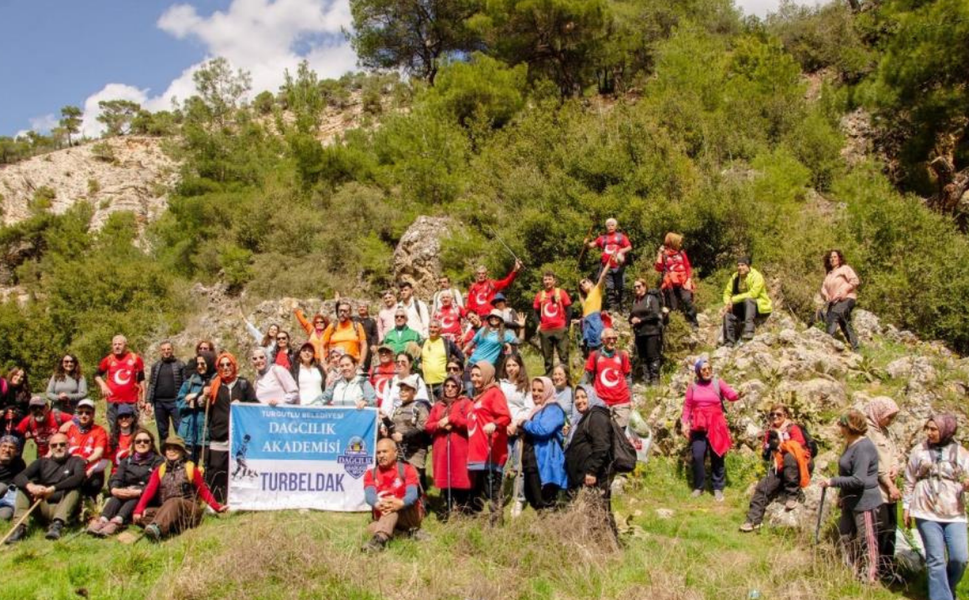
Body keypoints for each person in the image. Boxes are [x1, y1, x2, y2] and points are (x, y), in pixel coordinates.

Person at [902, 414, 969, 600]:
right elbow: (909, 480)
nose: (929, 433)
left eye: (934, 429)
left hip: (954, 511)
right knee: (936, 559)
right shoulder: (919, 451)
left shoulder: (960, 452)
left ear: (946, 430)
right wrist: (906, 507)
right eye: (928, 428)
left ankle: (945, 587)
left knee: (960, 558)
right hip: (925, 510)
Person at [819, 410, 883, 585]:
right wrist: (841, 495)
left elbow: (859, 479)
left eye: (841, 425)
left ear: (849, 427)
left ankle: (870, 577)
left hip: (865, 501)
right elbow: (846, 471)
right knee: (845, 535)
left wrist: (832, 481)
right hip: (850, 500)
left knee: (867, 539)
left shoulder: (863, 447)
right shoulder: (850, 443)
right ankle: (850, 572)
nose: (839, 428)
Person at [133, 435, 227, 542]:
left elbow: (203, 490)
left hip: (189, 510)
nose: (171, 451)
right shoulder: (160, 470)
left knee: (174, 502)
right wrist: (138, 510)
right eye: (168, 449)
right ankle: (169, 528)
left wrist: (216, 507)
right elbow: (149, 490)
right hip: (168, 509)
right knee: (144, 515)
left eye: (175, 448)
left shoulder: (190, 468)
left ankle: (158, 528)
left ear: (182, 451)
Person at [740, 404, 814, 532]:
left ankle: (792, 495)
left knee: (789, 457)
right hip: (779, 467)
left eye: (778, 414)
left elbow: (798, 447)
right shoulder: (770, 432)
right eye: (772, 414)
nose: (775, 417)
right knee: (763, 487)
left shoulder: (793, 428)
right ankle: (753, 520)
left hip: (798, 464)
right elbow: (766, 454)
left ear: (785, 415)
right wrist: (770, 447)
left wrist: (780, 445)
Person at [6, 432, 86, 543]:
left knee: (75, 489)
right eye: (54, 445)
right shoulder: (42, 462)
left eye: (62, 444)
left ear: (68, 445)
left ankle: (57, 526)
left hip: (63, 507)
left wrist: (52, 489)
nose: (58, 448)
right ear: (50, 447)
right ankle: (20, 528)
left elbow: (79, 478)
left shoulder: (77, 461)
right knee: (23, 487)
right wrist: (31, 487)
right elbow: (20, 476)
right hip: (42, 505)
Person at [681, 359, 741, 501]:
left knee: (717, 455)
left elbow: (730, 395)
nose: (707, 371)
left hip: (716, 424)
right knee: (698, 455)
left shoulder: (717, 383)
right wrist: (684, 423)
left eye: (709, 368)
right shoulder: (693, 386)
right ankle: (699, 487)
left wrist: (739, 394)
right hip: (699, 425)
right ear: (698, 372)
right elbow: (687, 406)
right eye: (703, 369)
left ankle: (718, 487)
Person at [88, 428, 163, 537]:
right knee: (118, 495)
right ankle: (103, 520)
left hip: (146, 495)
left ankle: (118, 521)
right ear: (133, 444)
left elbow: (156, 484)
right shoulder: (127, 460)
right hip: (127, 490)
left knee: (133, 496)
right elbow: (117, 477)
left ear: (151, 444)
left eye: (146, 441)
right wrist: (114, 489)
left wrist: (139, 491)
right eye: (138, 441)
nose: (142, 444)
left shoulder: (158, 461)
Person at [204, 352, 258, 504]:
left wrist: (242, 405)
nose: (225, 367)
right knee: (216, 469)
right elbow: (203, 406)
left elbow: (254, 404)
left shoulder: (243, 384)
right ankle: (216, 501)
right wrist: (203, 396)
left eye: (229, 364)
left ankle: (238, 499)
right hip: (219, 434)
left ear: (234, 365)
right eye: (222, 365)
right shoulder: (213, 385)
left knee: (237, 469)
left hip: (239, 435)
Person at [565, 384, 616, 539]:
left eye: (583, 397)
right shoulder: (585, 417)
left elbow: (602, 446)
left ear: (591, 397)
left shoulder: (597, 416)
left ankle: (606, 546)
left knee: (598, 513)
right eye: (577, 398)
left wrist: (592, 471)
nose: (579, 401)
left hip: (594, 477)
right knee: (591, 514)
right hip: (585, 477)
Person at [361, 438, 425, 552]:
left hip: (408, 513)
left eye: (385, 451)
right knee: (370, 528)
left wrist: (400, 503)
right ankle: (408, 534)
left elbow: (412, 494)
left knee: (390, 508)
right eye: (378, 452)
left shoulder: (408, 469)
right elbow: (369, 494)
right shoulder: (370, 474)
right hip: (383, 513)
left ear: (395, 453)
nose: (381, 455)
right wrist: (377, 504)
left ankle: (377, 543)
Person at [467, 361, 511, 524]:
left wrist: (495, 424)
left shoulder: (494, 393)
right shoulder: (477, 395)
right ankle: (474, 528)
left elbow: (506, 416)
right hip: (476, 454)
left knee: (492, 492)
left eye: (478, 375)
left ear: (487, 375)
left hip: (491, 451)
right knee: (476, 494)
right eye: (472, 375)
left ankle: (496, 528)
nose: (474, 378)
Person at [864, 397, 901, 579]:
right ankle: (874, 568)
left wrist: (895, 467)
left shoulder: (885, 432)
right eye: (888, 417)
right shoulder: (868, 433)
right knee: (880, 528)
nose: (890, 421)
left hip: (890, 488)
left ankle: (887, 568)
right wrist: (890, 484)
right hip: (877, 489)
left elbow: (894, 454)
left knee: (891, 528)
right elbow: (875, 463)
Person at [518, 377, 567, 512]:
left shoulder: (553, 409)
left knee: (545, 502)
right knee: (534, 499)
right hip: (532, 460)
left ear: (548, 391)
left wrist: (524, 423)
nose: (536, 393)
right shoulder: (538, 409)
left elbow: (543, 429)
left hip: (545, 462)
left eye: (540, 390)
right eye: (533, 390)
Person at [426, 375, 472, 515]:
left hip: (460, 449)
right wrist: (439, 425)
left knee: (461, 478)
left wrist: (453, 419)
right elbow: (428, 426)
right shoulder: (438, 406)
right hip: (442, 449)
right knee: (445, 478)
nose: (450, 389)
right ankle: (449, 508)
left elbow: (470, 423)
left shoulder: (466, 403)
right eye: (447, 386)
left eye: (453, 386)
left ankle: (463, 510)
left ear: (459, 388)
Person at [383, 376, 430, 490]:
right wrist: (385, 421)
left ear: (414, 392)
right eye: (401, 390)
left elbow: (423, 428)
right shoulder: (397, 409)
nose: (403, 392)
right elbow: (394, 428)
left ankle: (423, 505)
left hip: (415, 451)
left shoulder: (419, 407)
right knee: (401, 482)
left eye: (407, 390)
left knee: (416, 481)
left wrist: (404, 437)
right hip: (399, 450)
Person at [500, 353, 532, 517]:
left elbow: (529, 409)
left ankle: (518, 498)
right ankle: (499, 496)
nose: (511, 368)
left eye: (514, 365)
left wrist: (516, 424)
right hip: (503, 429)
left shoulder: (526, 386)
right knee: (502, 463)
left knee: (519, 465)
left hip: (519, 430)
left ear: (520, 366)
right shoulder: (501, 385)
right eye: (508, 366)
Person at [95, 335, 146, 434]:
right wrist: (103, 385)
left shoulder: (135, 358)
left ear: (125, 345)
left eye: (119, 344)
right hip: (113, 401)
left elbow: (142, 379)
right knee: (114, 429)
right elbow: (97, 375)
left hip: (131, 401)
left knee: (134, 429)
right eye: (115, 344)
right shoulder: (108, 359)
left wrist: (143, 399)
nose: (117, 346)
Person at [583, 328, 633, 428]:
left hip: (621, 402)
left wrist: (631, 399)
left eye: (614, 338)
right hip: (601, 402)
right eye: (609, 338)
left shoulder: (622, 355)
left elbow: (628, 378)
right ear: (603, 340)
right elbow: (587, 377)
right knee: (603, 433)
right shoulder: (594, 356)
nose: (612, 341)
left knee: (620, 435)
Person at [62, 399, 110, 498]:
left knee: (94, 484)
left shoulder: (100, 431)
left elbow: (98, 453)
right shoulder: (70, 429)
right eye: (80, 412)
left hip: (91, 468)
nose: (84, 415)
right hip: (71, 467)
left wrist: (85, 462)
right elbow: (62, 450)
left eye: (87, 413)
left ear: (93, 414)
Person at [721, 257, 772, 346]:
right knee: (728, 314)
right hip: (743, 306)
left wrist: (733, 299)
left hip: (759, 306)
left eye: (742, 265)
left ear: (748, 266)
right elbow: (727, 292)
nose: (740, 267)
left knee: (748, 300)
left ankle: (749, 331)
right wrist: (727, 303)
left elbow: (753, 294)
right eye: (738, 265)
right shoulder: (735, 277)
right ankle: (729, 341)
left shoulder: (757, 276)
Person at [176, 352, 216, 464]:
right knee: (187, 468)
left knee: (206, 468)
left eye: (203, 364)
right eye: (197, 364)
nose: (199, 367)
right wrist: (189, 404)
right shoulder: (190, 382)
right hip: (188, 432)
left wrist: (194, 396)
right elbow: (179, 403)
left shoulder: (216, 382)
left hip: (206, 433)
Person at [585, 218, 632, 310]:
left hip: (619, 266)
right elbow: (591, 245)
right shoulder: (602, 238)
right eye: (608, 225)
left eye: (612, 225)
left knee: (621, 286)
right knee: (609, 287)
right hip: (606, 267)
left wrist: (621, 250)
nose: (610, 227)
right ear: (606, 227)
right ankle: (612, 308)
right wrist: (586, 243)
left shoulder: (621, 236)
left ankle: (624, 308)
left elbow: (629, 247)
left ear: (615, 226)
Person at [533, 272, 573, 378]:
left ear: (554, 281)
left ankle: (566, 378)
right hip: (545, 330)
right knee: (547, 357)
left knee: (563, 356)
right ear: (543, 281)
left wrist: (566, 326)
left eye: (549, 279)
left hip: (560, 328)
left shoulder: (561, 292)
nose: (547, 282)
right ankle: (549, 379)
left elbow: (569, 309)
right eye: (545, 279)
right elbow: (535, 312)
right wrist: (538, 325)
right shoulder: (539, 295)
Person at [654, 232, 698, 327]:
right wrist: (659, 254)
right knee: (673, 305)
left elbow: (687, 266)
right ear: (673, 242)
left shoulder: (681, 253)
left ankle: (693, 323)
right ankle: (674, 325)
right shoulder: (664, 254)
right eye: (679, 242)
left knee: (687, 300)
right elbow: (658, 268)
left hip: (683, 281)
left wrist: (689, 279)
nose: (680, 244)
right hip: (670, 282)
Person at [821, 249, 861, 351]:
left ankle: (828, 343)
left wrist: (845, 290)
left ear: (839, 258)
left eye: (835, 257)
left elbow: (855, 281)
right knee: (845, 323)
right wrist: (826, 295)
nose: (832, 259)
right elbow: (823, 288)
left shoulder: (845, 268)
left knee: (834, 315)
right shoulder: (829, 275)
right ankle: (855, 348)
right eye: (830, 257)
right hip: (833, 302)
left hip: (846, 299)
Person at [629, 279, 666, 385]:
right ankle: (646, 378)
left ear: (645, 287)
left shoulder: (651, 298)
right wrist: (631, 320)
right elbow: (631, 316)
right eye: (635, 287)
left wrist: (641, 320)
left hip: (651, 332)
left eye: (639, 286)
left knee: (653, 355)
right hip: (639, 333)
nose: (636, 288)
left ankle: (655, 379)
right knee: (643, 357)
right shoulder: (635, 301)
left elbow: (655, 314)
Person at [146, 341, 184, 442]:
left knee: (180, 430)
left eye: (168, 349)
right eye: (163, 350)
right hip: (159, 403)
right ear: (160, 351)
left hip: (176, 402)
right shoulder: (156, 366)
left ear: (172, 350)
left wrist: (184, 399)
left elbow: (185, 384)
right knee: (162, 432)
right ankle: (164, 455)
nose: (166, 352)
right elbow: (151, 384)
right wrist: (148, 401)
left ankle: (182, 454)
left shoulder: (180, 365)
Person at [420, 319, 464, 398]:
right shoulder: (423, 343)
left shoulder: (447, 343)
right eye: (431, 327)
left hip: (443, 384)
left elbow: (460, 356)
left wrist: (458, 373)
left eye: (435, 327)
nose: (432, 329)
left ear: (440, 330)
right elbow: (418, 360)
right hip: (427, 386)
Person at [574, 266, 610, 356]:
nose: (582, 285)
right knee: (592, 352)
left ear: (590, 283)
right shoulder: (585, 300)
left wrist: (609, 263)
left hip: (595, 322)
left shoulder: (596, 290)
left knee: (600, 347)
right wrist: (579, 321)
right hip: (587, 325)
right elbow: (586, 313)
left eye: (584, 282)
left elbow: (602, 276)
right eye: (581, 285)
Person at [383, 353, 430, 417]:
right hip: (393, 420)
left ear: (410, 365)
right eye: (397, 362)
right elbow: (385, 406)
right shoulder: (390, 382)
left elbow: (423, 402)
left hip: (411, 418)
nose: (400, 364)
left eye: (403, 362)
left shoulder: (417, 380)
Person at [0, 435, 26, 521]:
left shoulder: (19, 464)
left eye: (11, 448)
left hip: (5, 499)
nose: (7, 450)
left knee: (5, 515)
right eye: (4, 446)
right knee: (1, 487)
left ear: (16, 452)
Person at [108, 403, 138, 471]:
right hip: (117, 471)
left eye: (127, 416)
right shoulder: (112, 438)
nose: (124, 419)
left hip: (135, 470)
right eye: (121, 417)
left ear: (133, 418)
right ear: (118, 420)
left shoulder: (139, 435)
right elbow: (112, 458)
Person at [1, 367, 30, 435]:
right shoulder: (3, 387)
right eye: (16, 375)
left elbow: (26, 413)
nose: (19, 378)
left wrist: (15, 415)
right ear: (12, 374)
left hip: (17, 427)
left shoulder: (24, 393)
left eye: (21, 377)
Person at [370, 344, 398, 411]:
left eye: (387, 352)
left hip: (393, 407)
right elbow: (369, 387)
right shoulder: (374, 370)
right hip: (377, 407)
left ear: (392, 354)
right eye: (381, 352)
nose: (383, 354)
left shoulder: (397, 369)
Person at [354, 302, 379, 372]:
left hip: (368, 345)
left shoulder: (371, 321)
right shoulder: (353, 319)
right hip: (356, 345)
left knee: (365, 365)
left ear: (367, 309)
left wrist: (374, 344)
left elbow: (375, 334)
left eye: (364, 307)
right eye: (360, 307)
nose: (362, 308)